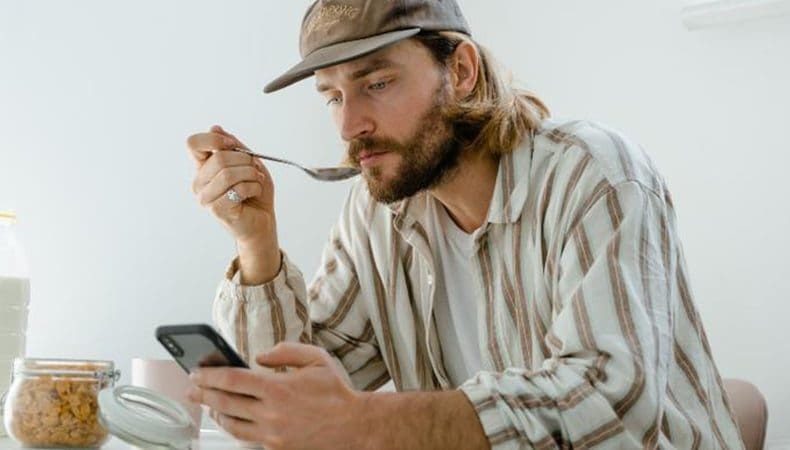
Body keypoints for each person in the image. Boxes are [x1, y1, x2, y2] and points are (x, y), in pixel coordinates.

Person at [185, 1, 745, 448]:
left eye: (377, 83)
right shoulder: (376, 214)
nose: (349, 126)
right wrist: (256, 243)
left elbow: (605, 406)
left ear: (461, 70)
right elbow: (289, 409)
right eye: (332, 96)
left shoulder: (593, 174)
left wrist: (364, 423)